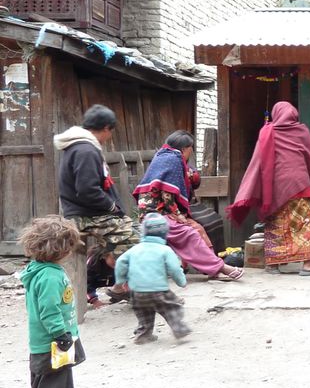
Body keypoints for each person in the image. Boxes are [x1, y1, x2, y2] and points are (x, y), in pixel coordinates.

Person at [227, 102, 310, 276]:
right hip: (299, 184)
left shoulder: (267, 132)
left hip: (274, 186)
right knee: (302, 224)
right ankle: (308, 265)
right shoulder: (302, 131)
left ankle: (273, 264)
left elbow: (258, 161)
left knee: (276, 223)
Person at [53, 104, 138, 305]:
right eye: (110, 132)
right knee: (138, 237)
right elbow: (87, 190)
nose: (109, 137)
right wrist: (111, 207)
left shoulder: (78, 147)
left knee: (127, 233)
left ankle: (122, 281)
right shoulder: (86, 150)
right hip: (87, 215)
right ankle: (123, 285)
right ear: (107, 128)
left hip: (86, 212)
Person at [134, 131, 242, 282]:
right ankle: (220, 267)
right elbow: (167, 192)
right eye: (191, 149)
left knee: (199, 229)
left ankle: (213, 268)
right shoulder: (173, 159)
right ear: (186, 148)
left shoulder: (164, 156)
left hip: (164, 210)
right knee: (189, 233)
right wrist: (178, 215)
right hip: (155, 214)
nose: (191, 152)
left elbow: (189, 181)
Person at [19, 216, 86, 388]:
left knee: (62, 375)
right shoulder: (48, 276)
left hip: (60, 336)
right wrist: (60, 333)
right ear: (61, 249)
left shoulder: (43, 269)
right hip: (52, 339)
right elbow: (48, 310)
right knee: (50, 379)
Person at [115, 213, 191, 344]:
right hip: (158, 290)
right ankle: (179, 328)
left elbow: (121, 262)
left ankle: (143, 335)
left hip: (136, 292)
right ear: (165, 233)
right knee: (172, 307)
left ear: (143, 232)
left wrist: (120, 281)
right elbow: (174, 268)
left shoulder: (134, 249)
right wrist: (181, 281)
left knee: (144, 313)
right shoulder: (165, 250)